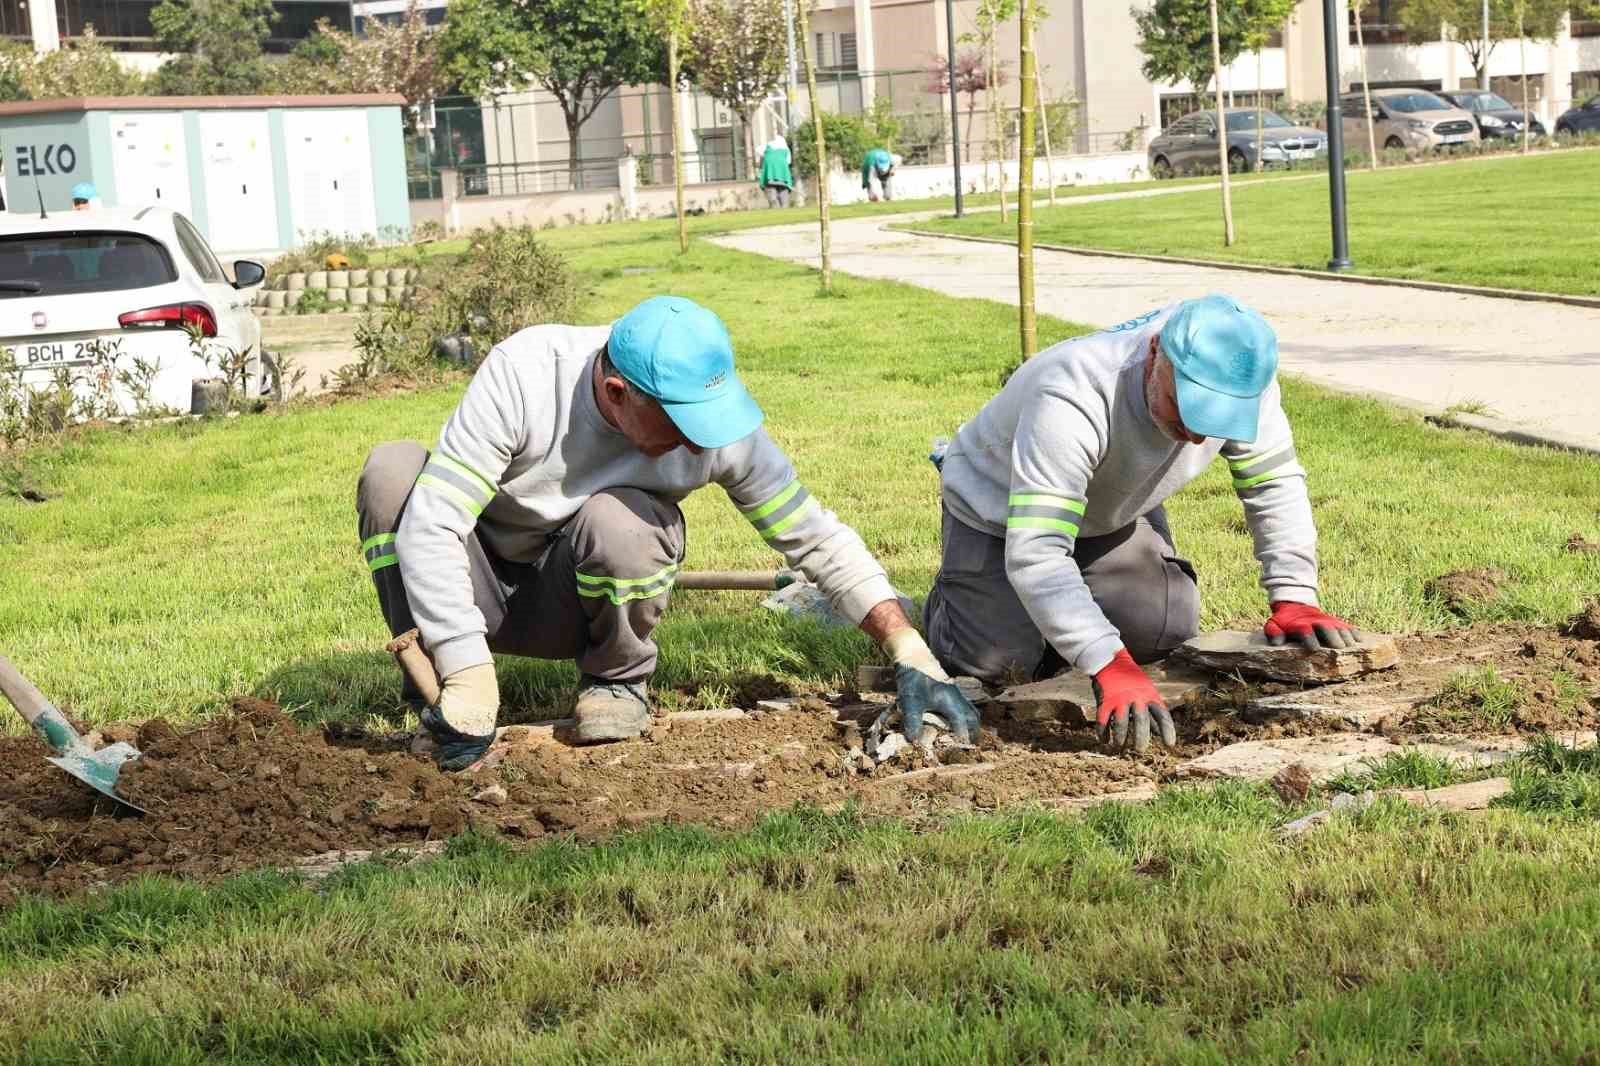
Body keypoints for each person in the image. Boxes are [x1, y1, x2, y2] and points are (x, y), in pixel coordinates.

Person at [357, 295, 982, 769]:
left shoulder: (718, 429)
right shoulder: (527, 374)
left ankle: (616, 682)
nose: (699, 439)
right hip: (476, 584)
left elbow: (816, 540)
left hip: (573, 604)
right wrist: (468, 668)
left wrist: (910, 650)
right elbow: (435, 523)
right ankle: (440, 685)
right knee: (393, 478)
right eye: (680, 421)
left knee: (626, 520)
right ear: (616, 392)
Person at [925, 294, 1358, 753]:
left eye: (1214, 421)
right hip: (997, 510)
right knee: (996, 662)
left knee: (1161, 632)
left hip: (1114, 507)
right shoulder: (1073, 391)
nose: (1196, 435)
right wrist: (1106, 662)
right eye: (1184, 408)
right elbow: (1038, 550)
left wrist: (1293, 595)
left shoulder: (1242, 370)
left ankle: (1052, 617)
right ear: (1155, 354)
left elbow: (1273, 484)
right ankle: (948, 603)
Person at [757, 134, 793, 208]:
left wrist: (764, 157)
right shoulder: (786, 149)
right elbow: (789, 162)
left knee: (773, 198)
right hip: (783, 178)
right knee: (784, 198)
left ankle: (776, 207)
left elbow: (758, 150)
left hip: (770, 177)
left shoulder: (767, 146)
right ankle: (784, 208)